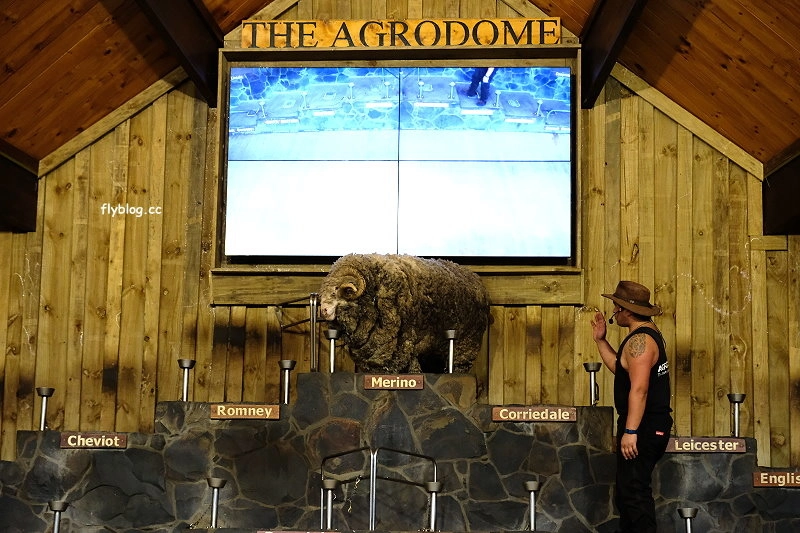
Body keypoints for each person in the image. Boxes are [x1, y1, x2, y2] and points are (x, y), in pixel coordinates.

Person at [590, 281, 672, 533]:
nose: (614, 309)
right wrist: (600, 340)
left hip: (644, 426)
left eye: (616, 306)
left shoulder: (641, 341)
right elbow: (621, 369)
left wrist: (631, 431)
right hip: (644, 424)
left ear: (626, 310)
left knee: (634, 494)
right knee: (627, 493)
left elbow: (639, 389)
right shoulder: (643, 335)